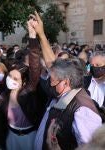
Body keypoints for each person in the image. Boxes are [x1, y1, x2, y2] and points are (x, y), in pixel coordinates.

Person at [30, 11, 102, 150]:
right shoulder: (64, 90)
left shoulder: (82, 111)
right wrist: (41, 34)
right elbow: (52, 64)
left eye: (53, 80)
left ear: (66, 81)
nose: (49, 83)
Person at [0, 17, 47, 150]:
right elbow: (0, 121)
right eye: (10, 76)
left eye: (16, 78)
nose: (11, 79)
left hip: (29, 138)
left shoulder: (28, 92)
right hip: (11, 137)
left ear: (24, 83)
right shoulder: (4, 95)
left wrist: (33, 36)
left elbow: (34, 68)